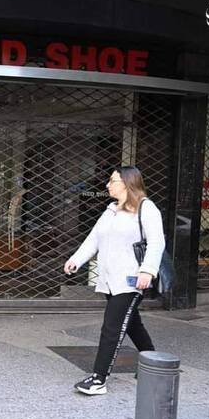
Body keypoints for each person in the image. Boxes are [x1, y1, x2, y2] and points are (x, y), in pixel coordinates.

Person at [63, 167, 165, 395]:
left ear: (127, 183)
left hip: (131, 280)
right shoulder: (111, 210)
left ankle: (99, 379)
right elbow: (93, 239)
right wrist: (76, 260)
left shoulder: (146, 208)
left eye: (113, 181)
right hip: (110, 280)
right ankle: (154, 363)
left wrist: (147, 271)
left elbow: (157, 242)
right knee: (133, 323)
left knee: (112, 326)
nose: (108, 185)